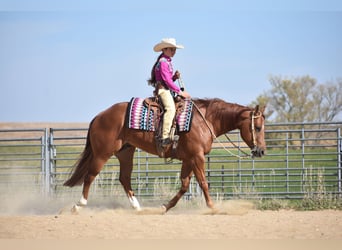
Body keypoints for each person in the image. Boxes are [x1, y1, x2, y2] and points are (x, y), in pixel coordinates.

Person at [148, 38, 191, 147]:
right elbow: (166, 81)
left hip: (165, 88)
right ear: (164, 49)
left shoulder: (166, 61)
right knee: (171, 109)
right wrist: (180, 93)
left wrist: (174, 78)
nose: (174, 51)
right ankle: (164, 137)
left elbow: (167, 79)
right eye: (171, 49)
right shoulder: (163, 62)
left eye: (174, 49)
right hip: (163, 90)